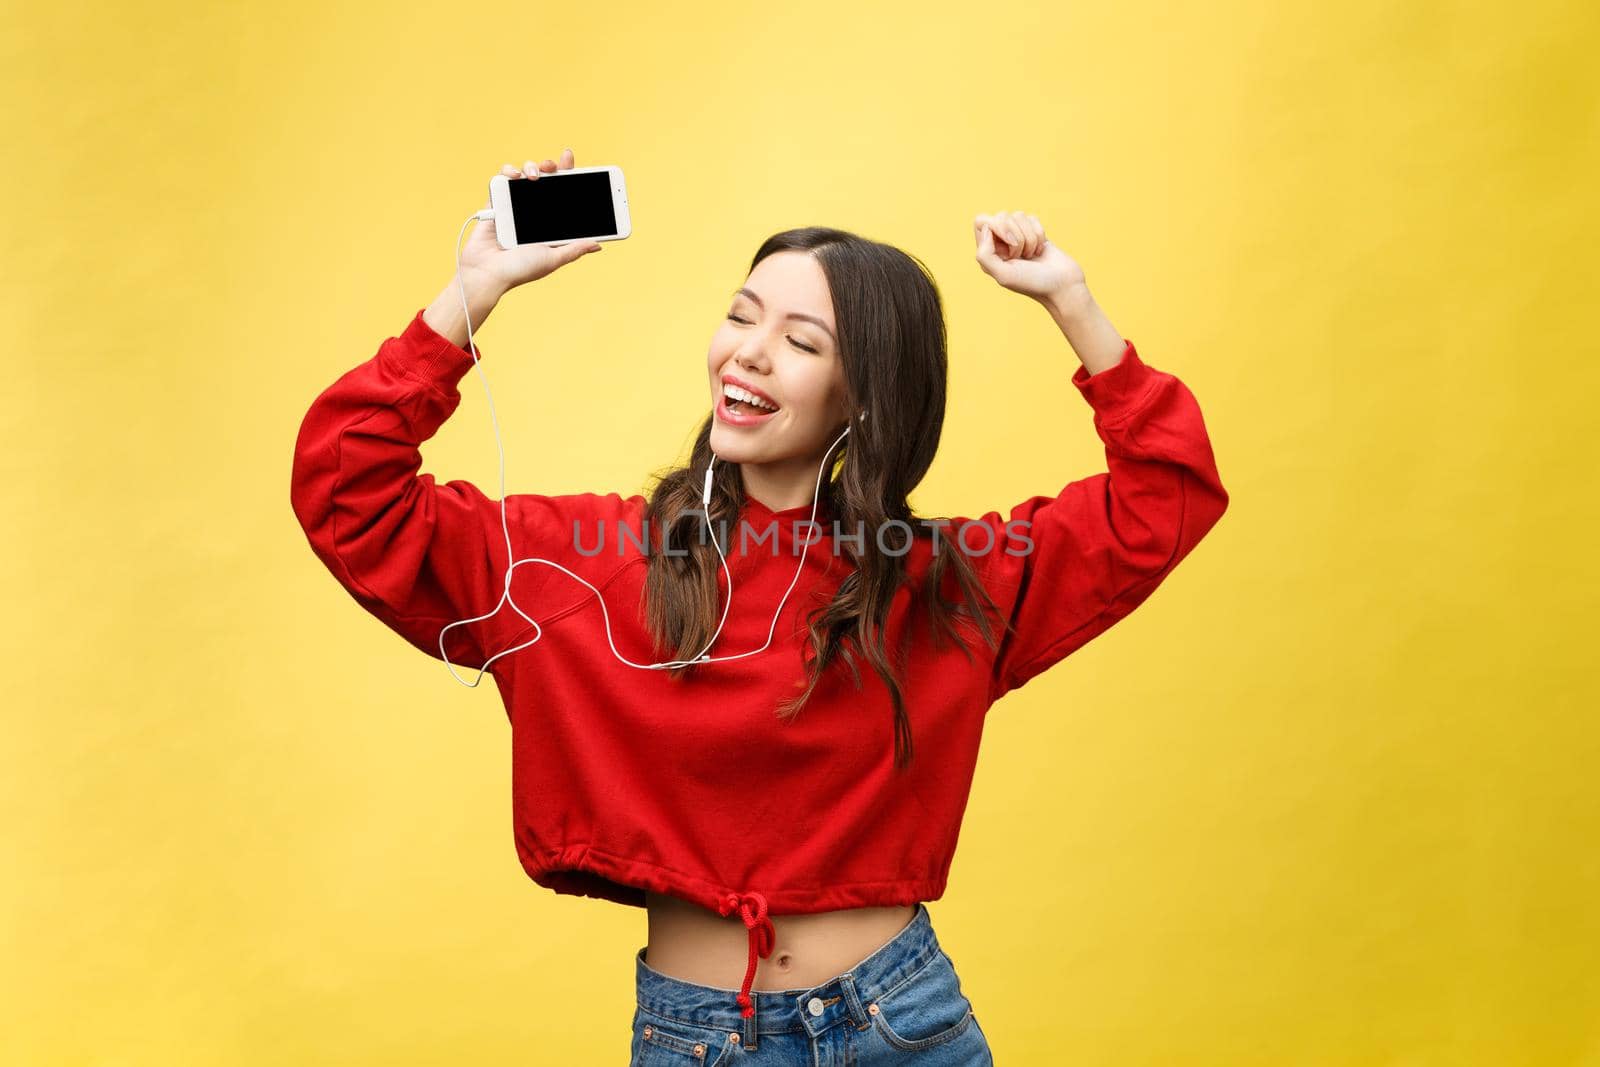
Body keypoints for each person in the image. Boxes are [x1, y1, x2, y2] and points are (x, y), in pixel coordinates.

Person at [290, 148, 1230, 1064]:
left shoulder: (938, 582)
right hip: (696, 1037)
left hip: (903, 1023)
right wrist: (472, 293)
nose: (750, 352)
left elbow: (1166, 494)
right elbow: (348, 490)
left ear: (865, 396)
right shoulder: (585, 565)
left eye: (801, 341)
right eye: (742, 316)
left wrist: (1070, 300)